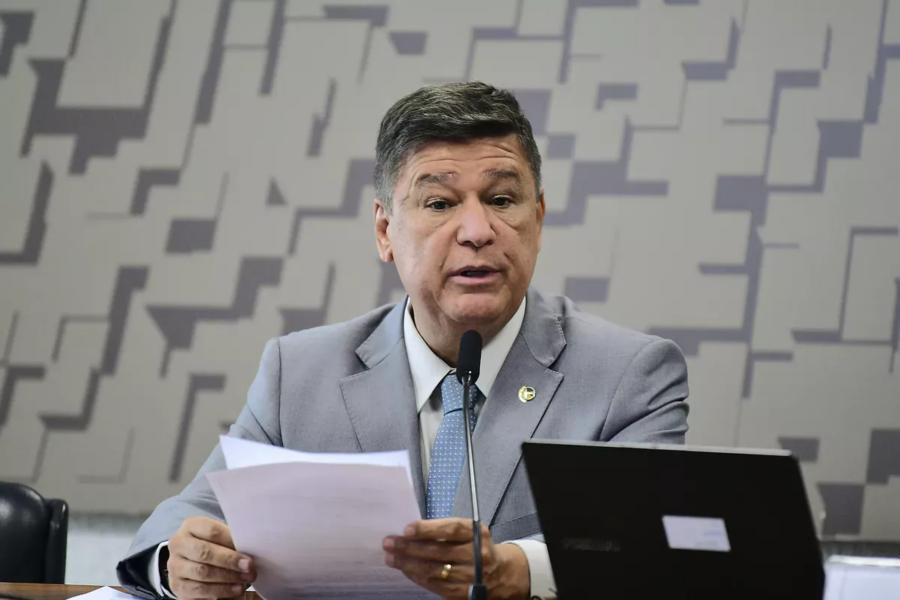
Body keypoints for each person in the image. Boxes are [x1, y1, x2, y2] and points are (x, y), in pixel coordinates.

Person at [117, 81, 690, 600]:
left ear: (536, 220)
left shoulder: (630, 375)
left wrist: (516, 569)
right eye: (439, 203)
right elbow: (188, 516)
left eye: (501, 200)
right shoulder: (300, 372)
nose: (476, 231)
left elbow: (651, 552)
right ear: (385, 231)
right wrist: (178, 562)